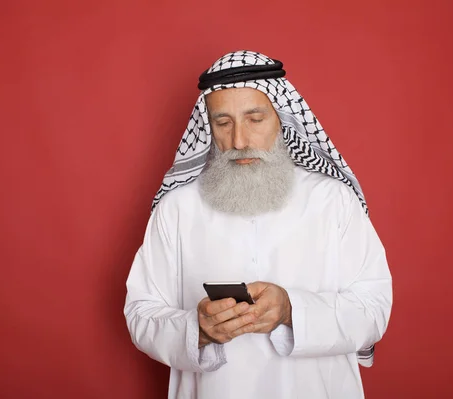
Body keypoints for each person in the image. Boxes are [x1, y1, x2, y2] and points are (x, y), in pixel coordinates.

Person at [123, 50, 392, 399]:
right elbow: (141, 314)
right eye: (223, 123)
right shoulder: (177, 209)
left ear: (281, 118)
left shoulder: (333, 201)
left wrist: (291, 310)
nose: (238, 141)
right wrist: (196, 329)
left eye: (255, 119)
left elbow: (374, 309)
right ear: (209, 128)